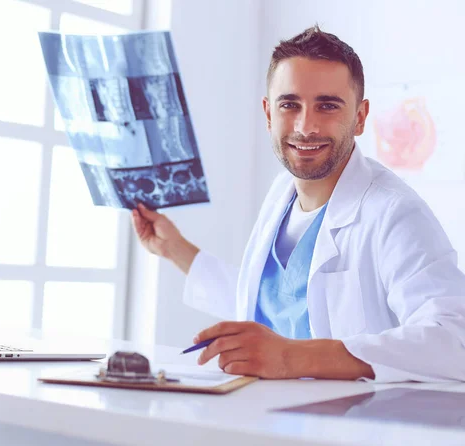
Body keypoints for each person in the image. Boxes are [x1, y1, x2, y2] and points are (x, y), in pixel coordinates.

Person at [131, 25, 465, 383]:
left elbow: (454, 341)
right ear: (268, 113)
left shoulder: (394, 212)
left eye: (327, 106)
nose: (306, 127)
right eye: (290, 105)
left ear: (360, 117)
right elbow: (270, 304)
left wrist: (294, 357)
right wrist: (174, 249)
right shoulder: (281, 193)